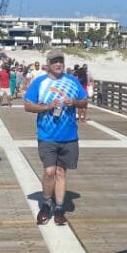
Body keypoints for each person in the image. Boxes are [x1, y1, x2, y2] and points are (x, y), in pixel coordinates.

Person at [24, 49, 87, 226]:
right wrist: (47, 107)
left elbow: (84, 101)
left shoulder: (72, 81)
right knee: (49, 171)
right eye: (55, 61)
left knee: (61, 172)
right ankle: (46, 204)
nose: (58, 64)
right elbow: (28, 106)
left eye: (61, 61)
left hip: (69, 136)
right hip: (47, 135)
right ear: (48, 65)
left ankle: (59, 208)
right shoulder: (39, 82)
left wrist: (73, 102)